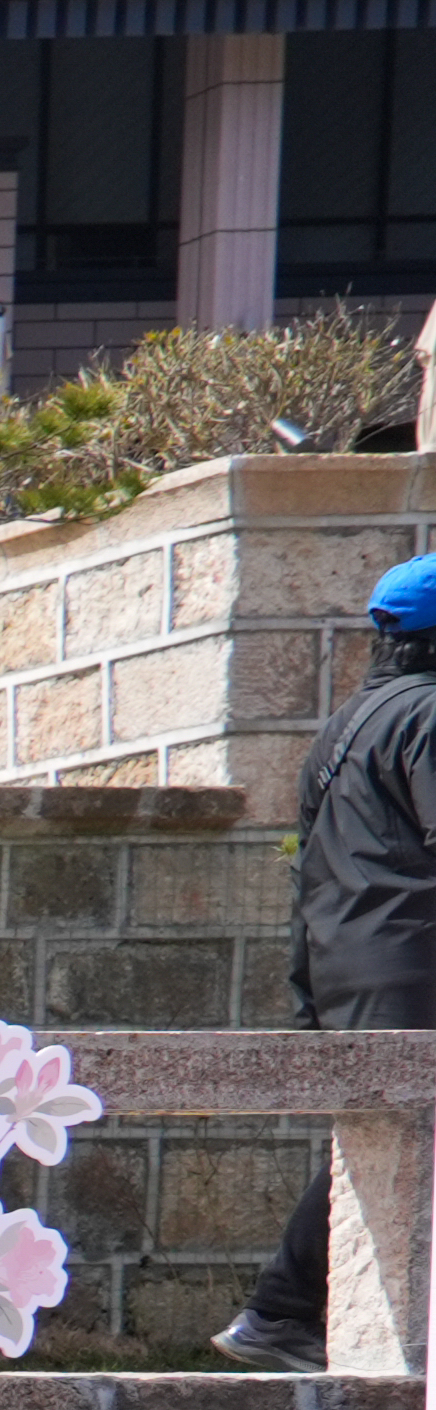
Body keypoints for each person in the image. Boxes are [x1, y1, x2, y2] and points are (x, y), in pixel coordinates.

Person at [220, 551, 436, 1365]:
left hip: (353, 959)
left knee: (385, 1135)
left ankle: (289, 1313)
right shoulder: (429, 715)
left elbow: (307, 865)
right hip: (416, 958)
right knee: (395, 1134)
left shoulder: (344, 727)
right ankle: (282, 1308)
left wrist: (307, 982)